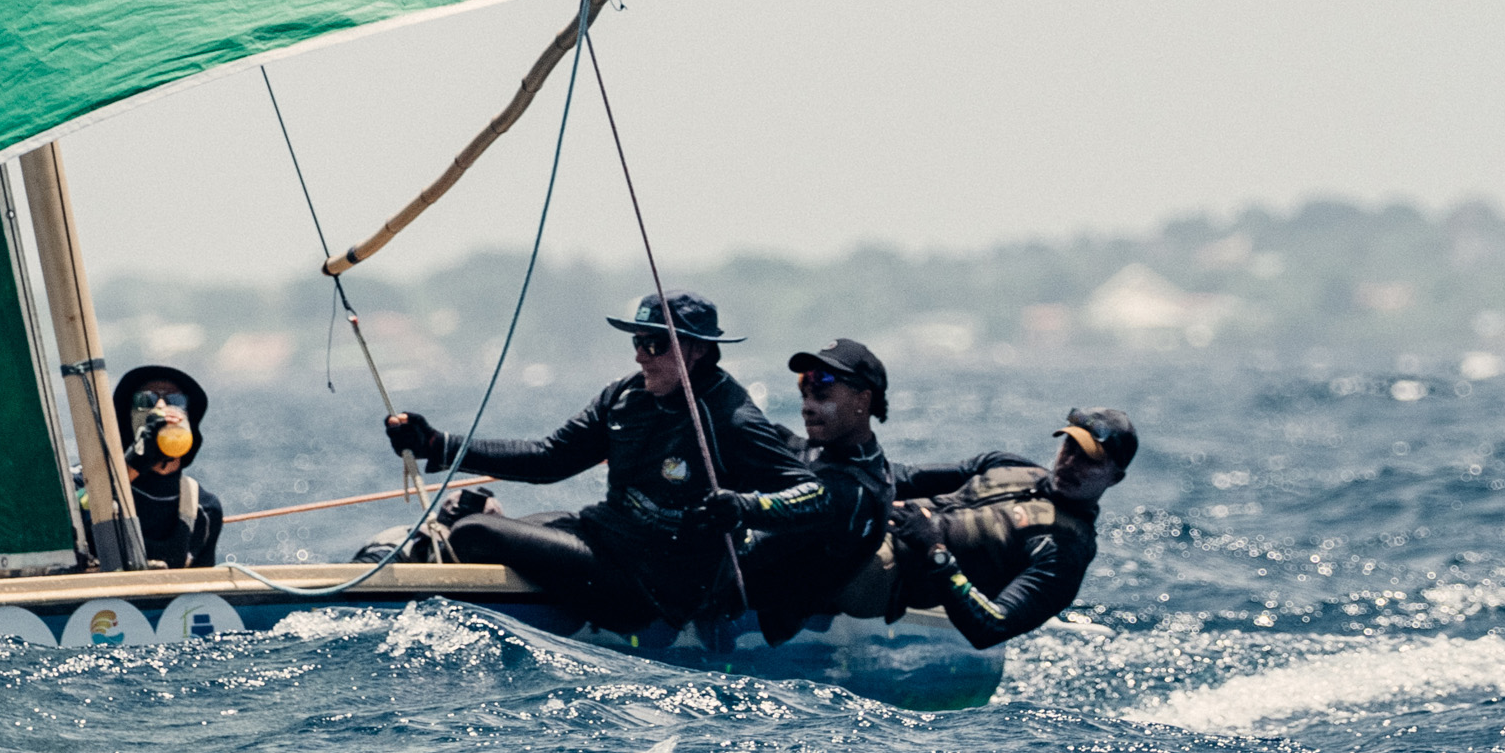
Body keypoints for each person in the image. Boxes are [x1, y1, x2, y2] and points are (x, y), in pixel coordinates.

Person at [380, 290, 807, 632]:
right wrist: (438, 445)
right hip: (602, 537)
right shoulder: (624, 395)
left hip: (651, 587)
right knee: (473, 528)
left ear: (696, 349)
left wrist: (745, 506)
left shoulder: (731, 417)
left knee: (474, 532)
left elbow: (812, 493)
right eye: (637, 341)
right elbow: (550, 459)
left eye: (654, 344)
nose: (640, 355)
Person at [685, 337, 895, 644]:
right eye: (805, 396)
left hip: (758, 620)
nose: (807, 408)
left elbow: (775, 522)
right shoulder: (853, 458)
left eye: (821, 396)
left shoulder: (849, 492)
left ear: (862, 401)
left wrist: (738, 507)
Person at [883, 406, 1137, 649]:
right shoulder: (1007, 465)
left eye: (1088, 459)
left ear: (1115, 478)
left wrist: (935, 552)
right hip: (873, 526)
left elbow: (991, 627)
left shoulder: (1065, 553)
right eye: (1070, 447)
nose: (1070, 463)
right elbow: (903, 477)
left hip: (889, 574)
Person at [111, 364, 222, 569]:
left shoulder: (205, 510)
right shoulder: (86, 485)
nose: (161, 408)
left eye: (176, 401)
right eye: (146, 400)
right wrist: (136, 459)